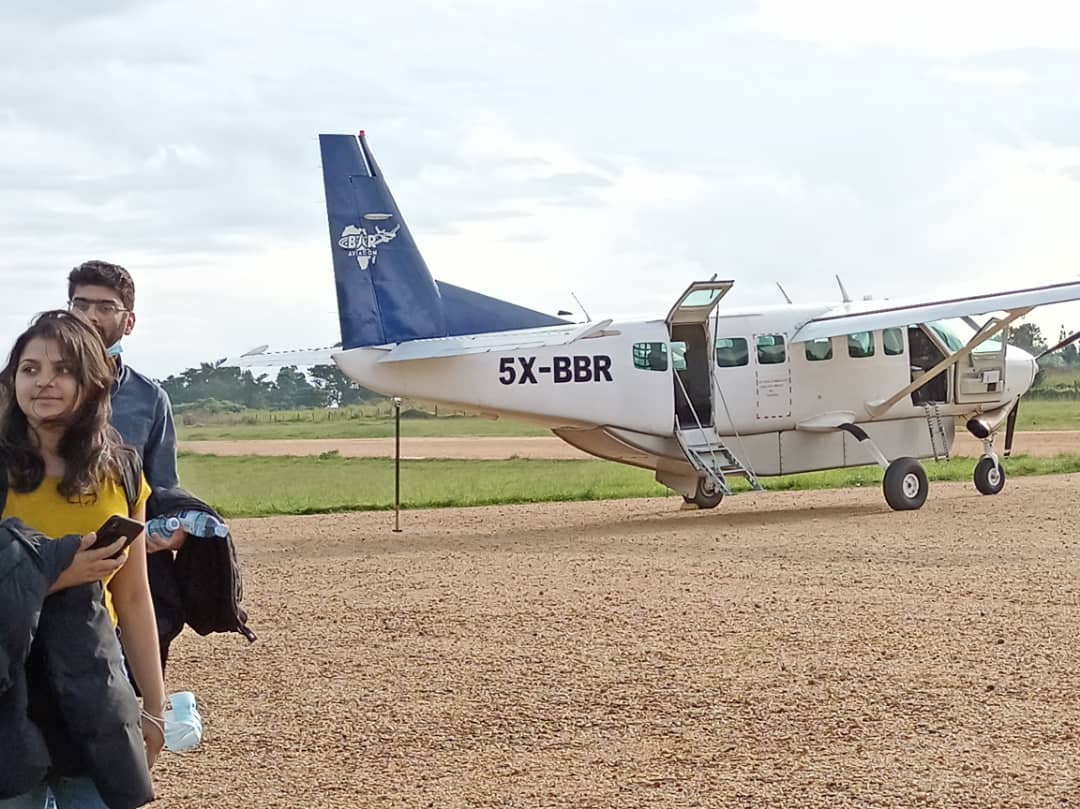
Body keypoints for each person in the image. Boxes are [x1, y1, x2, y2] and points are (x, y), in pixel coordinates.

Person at [0, 310, 166, 808]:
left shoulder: (122, 471)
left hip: (94, 681)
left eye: (62, 369)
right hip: (10, 690)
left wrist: (154, 707)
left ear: (92, 380)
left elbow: (134, 597)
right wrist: (56, 575)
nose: (44, 382)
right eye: (30, 369)